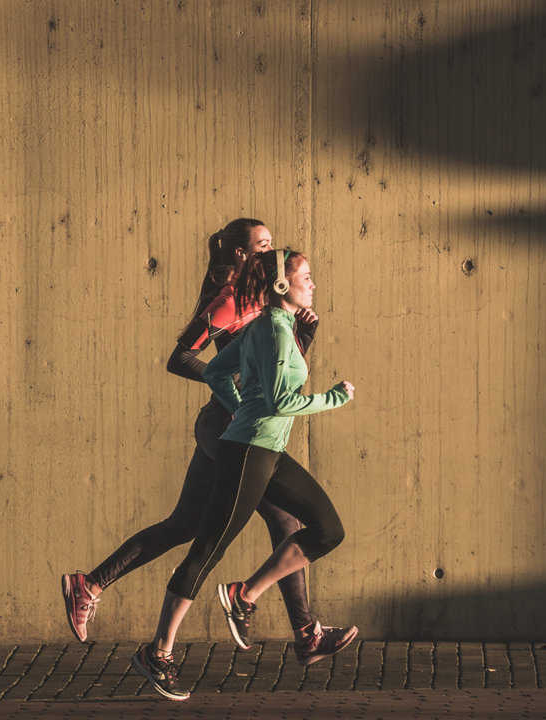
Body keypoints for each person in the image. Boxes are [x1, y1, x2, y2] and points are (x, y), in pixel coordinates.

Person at [60, 221, 352, 673]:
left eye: (273, 246)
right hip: (227, 424)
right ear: (240, 255)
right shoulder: (231, 302)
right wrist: (237, 391)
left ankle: (92, 584)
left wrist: (302, 339)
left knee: (187, 523)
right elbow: (183, 359)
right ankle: (297, 630)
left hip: (239, 425)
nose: (271, 252)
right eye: (263, 246)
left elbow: (281, 373)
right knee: (280, 521)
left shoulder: (267, 304)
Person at [130, 248, 356, 701]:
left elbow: (215, 372)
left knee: (328, 529)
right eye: (305, 277)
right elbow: (278, 403)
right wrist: (334, 398)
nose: (312, 283)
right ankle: (159, 652)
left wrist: (240, 412)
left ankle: (244, 593)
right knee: (207, 548)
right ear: (279, 286)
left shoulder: (275, 327)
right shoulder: (272, 329)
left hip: (263, 448)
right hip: (250, 454)